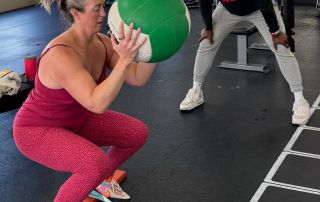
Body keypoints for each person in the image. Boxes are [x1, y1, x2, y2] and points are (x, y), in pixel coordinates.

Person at [13, 0, 156, 201]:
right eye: (96, 9)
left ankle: (99, 182)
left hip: (76, 120)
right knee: (94, 164)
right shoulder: (60, 54)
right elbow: (96, 103)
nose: (103, 14)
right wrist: (124, 60)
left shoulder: (103, 43)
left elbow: (137, 77)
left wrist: (156, 46)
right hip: (36, 130)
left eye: (103, 6)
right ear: (76, 14)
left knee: (136, 134)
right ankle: (95, 177)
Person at [179, 0, 310, 125]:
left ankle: (300, 100)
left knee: (281, 47)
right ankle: (196, 91)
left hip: (258, 9)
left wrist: (275, 32)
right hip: (227, 10)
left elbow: (263, 2)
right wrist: (208, 27)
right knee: (206, 42)